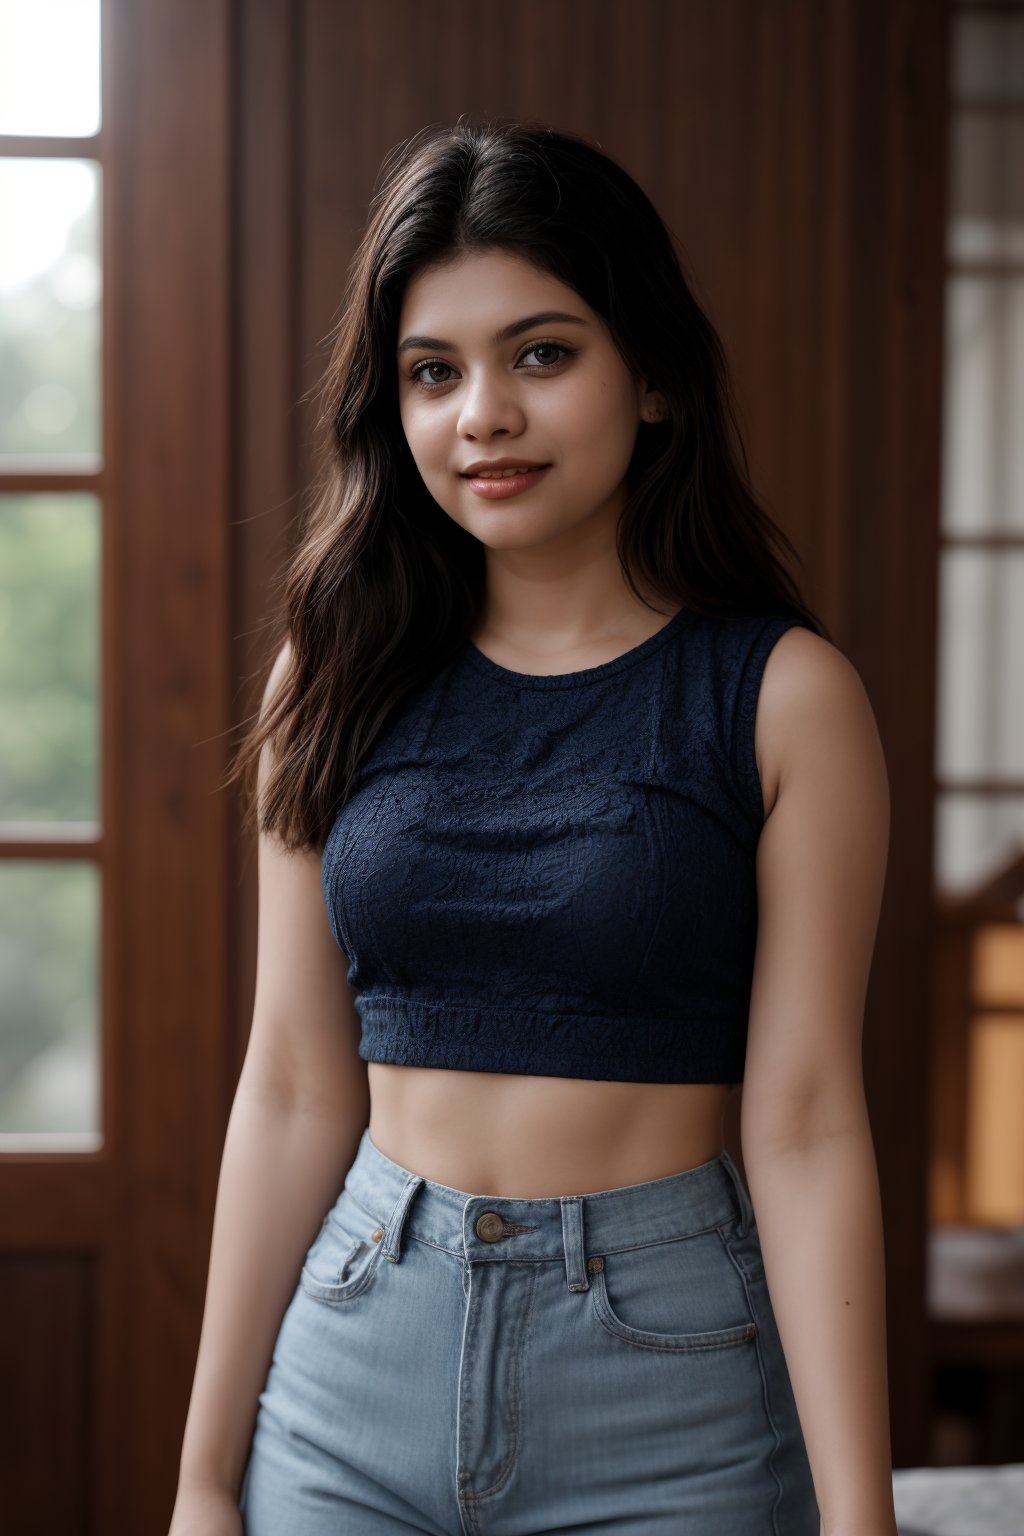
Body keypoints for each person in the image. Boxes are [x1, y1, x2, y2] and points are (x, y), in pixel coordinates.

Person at [168, 118, 898, 1536]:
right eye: (433, 373)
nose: (481, 415)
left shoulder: (784, 698)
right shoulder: (336, 673)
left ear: (658, 378)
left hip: (669, 1385)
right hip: (348, 1365)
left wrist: (860, 1518)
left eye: (542, 355)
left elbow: (806, 1124)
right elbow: (291, 1086)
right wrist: (203, 1480)